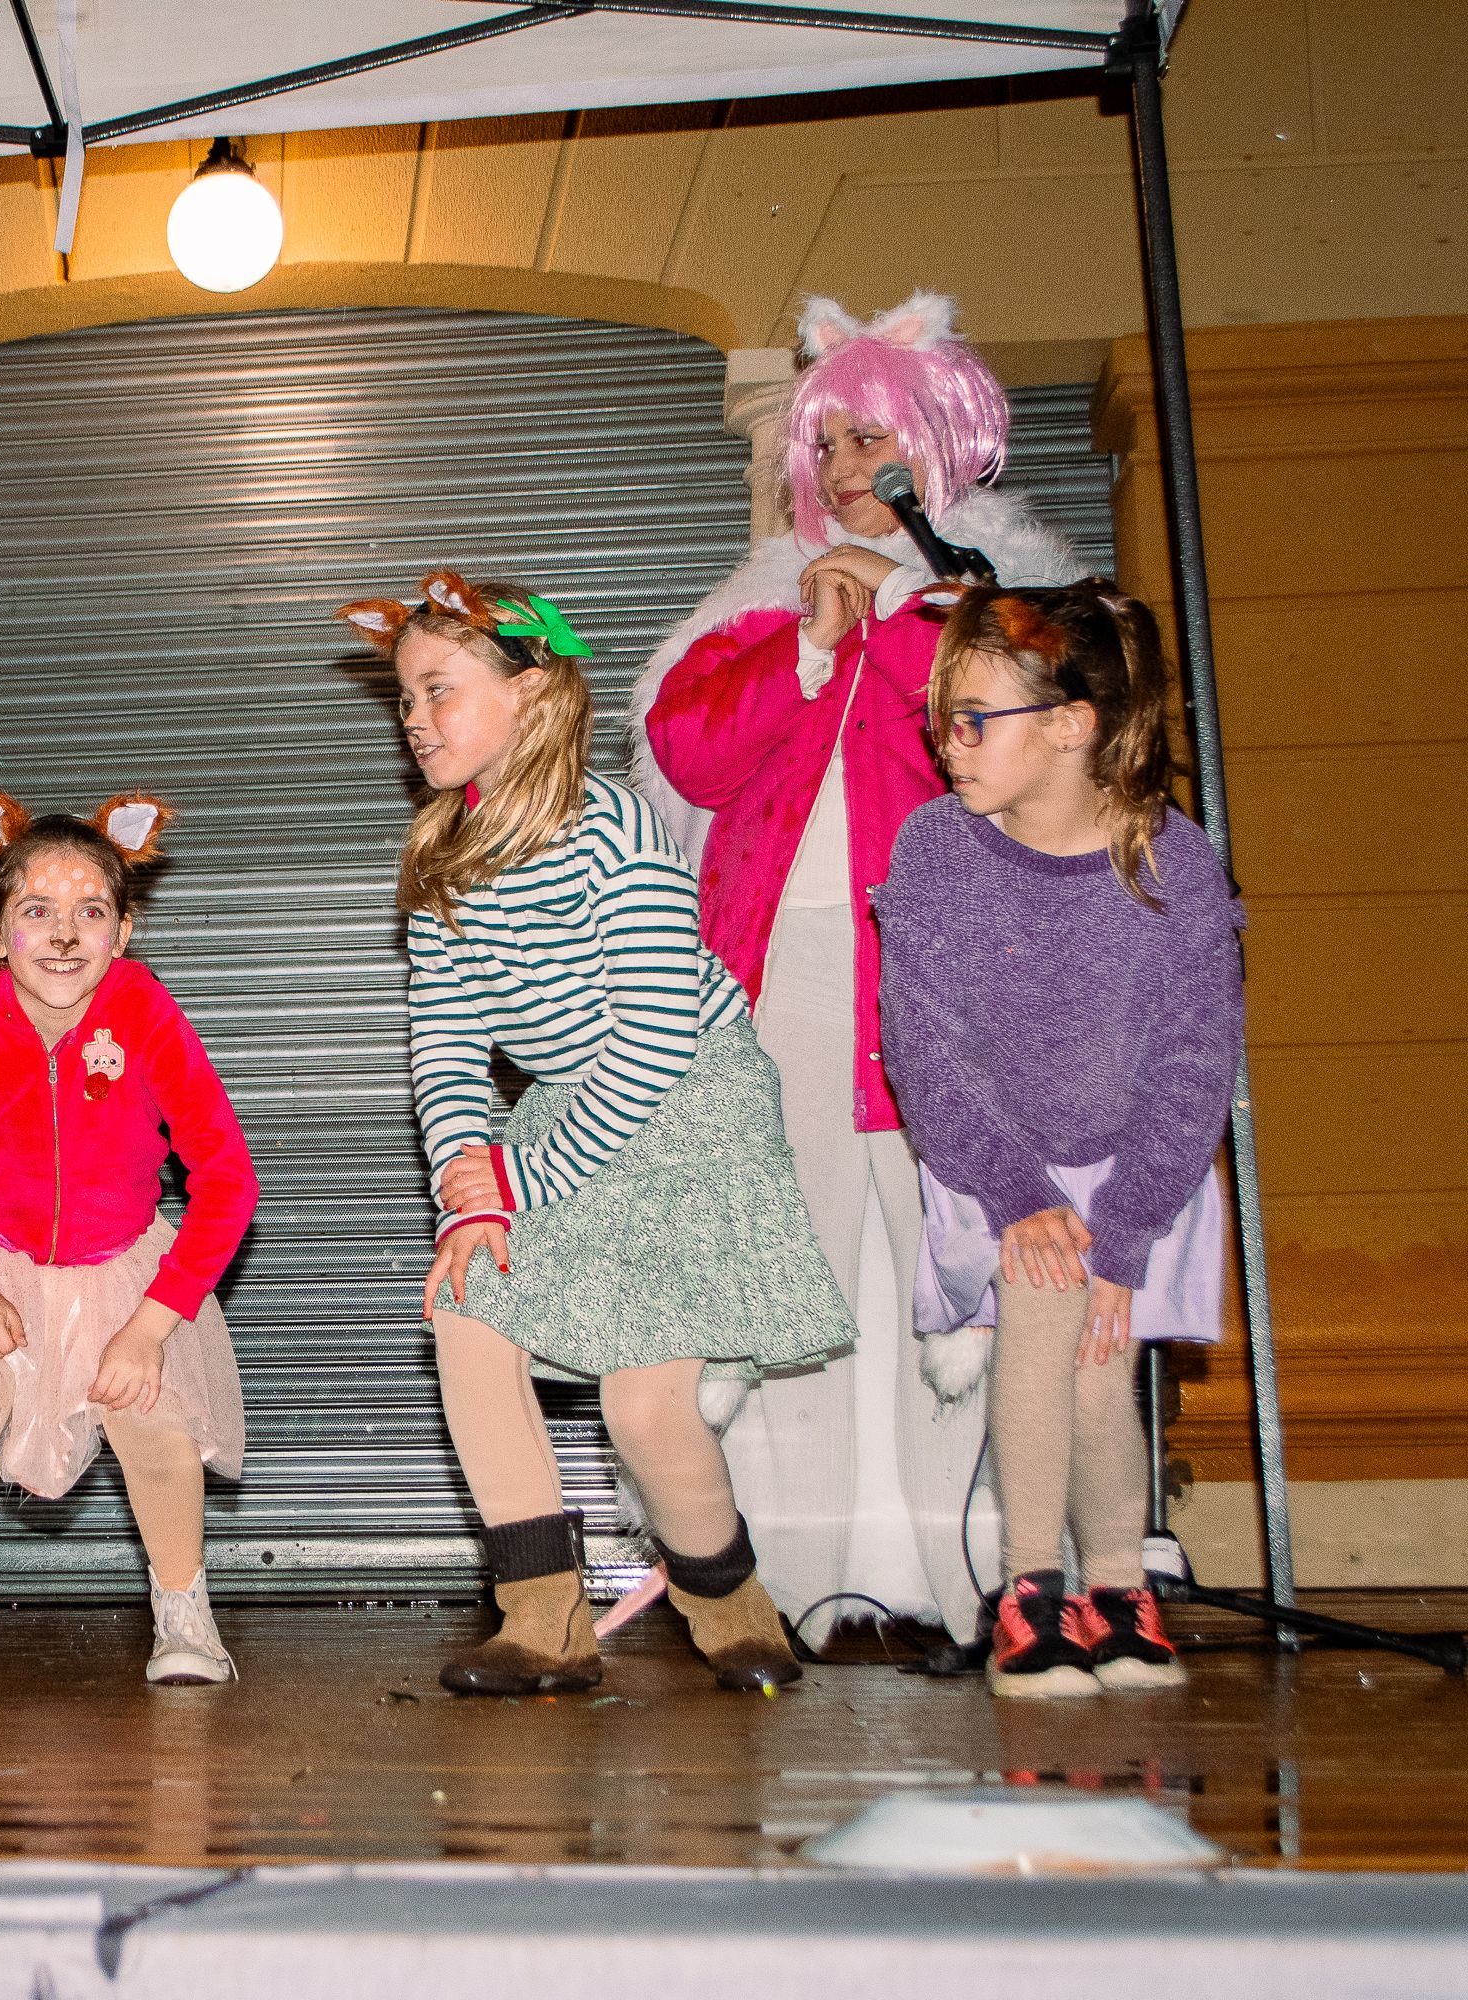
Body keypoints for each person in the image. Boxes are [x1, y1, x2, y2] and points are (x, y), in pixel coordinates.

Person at [634, 291, 1081, 1646]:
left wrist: (893, 614)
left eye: (867, 441)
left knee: (957, 1282)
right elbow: (689, 747)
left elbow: (1000, 730)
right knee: (793, 1275)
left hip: (951, 979)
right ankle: (795, 1581)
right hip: (784, 973)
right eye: (825, 445)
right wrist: (810, 644)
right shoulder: (764, 609)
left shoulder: (1003, 609)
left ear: (932, 447)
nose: (841, 470)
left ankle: (983, 1582)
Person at [340, 572, 853, 1696]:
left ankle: (731, 1604)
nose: (414, 716)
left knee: (643, 1402)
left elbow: (658, 1034)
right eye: (404, 698)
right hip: (570, 1105)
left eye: (438, 688)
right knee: (468, 1317)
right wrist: (465, 1185)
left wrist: (518, 1178)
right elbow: (445, 1045)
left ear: (532, 690)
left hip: (686, 1104)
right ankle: (543, 1619)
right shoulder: (442, 863)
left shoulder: (609, 827)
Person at [877, 582, 1238, 1698]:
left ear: (1073, 724)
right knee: (1043, 1312)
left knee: (1098, 1365)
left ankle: (1117, 1588)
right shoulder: (936, 849)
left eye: (973, 719)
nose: (948, 744)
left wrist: (1127, 1224)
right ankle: (1030, 1593)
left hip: (1139, 1173)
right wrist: (1016, 1190)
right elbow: (924, 1042)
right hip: (994, 1161)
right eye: (942, 719)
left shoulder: (1171, 861)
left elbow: (1196, 1060)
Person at [0, 781, 258, 1691]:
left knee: (151, 1412)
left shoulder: (149, 1020)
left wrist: (151, 1325)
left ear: (124, 934)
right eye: (37, 909)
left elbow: (229, 1183)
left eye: (91, 911)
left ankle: (185, 1612)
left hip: (121, 1266)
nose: (66, 933)